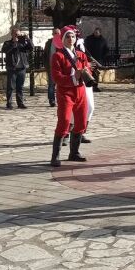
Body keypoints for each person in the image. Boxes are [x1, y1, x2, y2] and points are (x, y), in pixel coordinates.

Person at [49, 26, 92, 167]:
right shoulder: (58, 56)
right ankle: (55, 156)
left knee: (81, 121)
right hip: (65, 92)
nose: (70, 39)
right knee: (65, 121)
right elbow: (57, 77)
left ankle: (74, 153)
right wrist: (74, 77)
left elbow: (88, 70)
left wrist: (87, 71)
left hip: (80, 91)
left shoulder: (81, 55)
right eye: (67, 36)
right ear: (62, 39)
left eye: (73, 36)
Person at [2, 26, 33, 109]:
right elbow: (4, 50)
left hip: (22, 67)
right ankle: (9, 103)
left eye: (18, 35)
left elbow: (31, 48)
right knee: (10, 87)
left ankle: (20, 103)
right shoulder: (7, 43)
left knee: (20, 87)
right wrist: (14, 44)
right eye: (15, 34)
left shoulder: (23, 43)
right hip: (12, 68)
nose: (17, 36)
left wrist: (28, 39)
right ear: (12, 35)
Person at [44, 28, 61, 107]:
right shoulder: (49, 43)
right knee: (51, 84)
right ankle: (52, 100)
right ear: (52, 34)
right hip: (51, 67)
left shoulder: (63, 43)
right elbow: (45, 55)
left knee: (61, 84)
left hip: (61, 67)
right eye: (55, 33)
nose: (56, 35)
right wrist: (46, 65)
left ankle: (61, 100)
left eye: (58, 33)